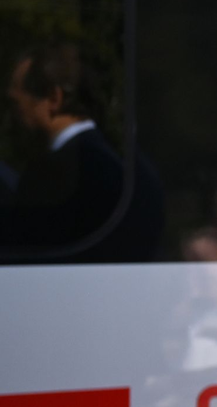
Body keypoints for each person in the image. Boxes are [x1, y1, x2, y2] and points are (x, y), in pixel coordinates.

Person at [3, 43, 163, 262]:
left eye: (15, 104)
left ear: (53, 99)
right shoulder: (132, 170)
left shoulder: (51, 174)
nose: (13, 118)